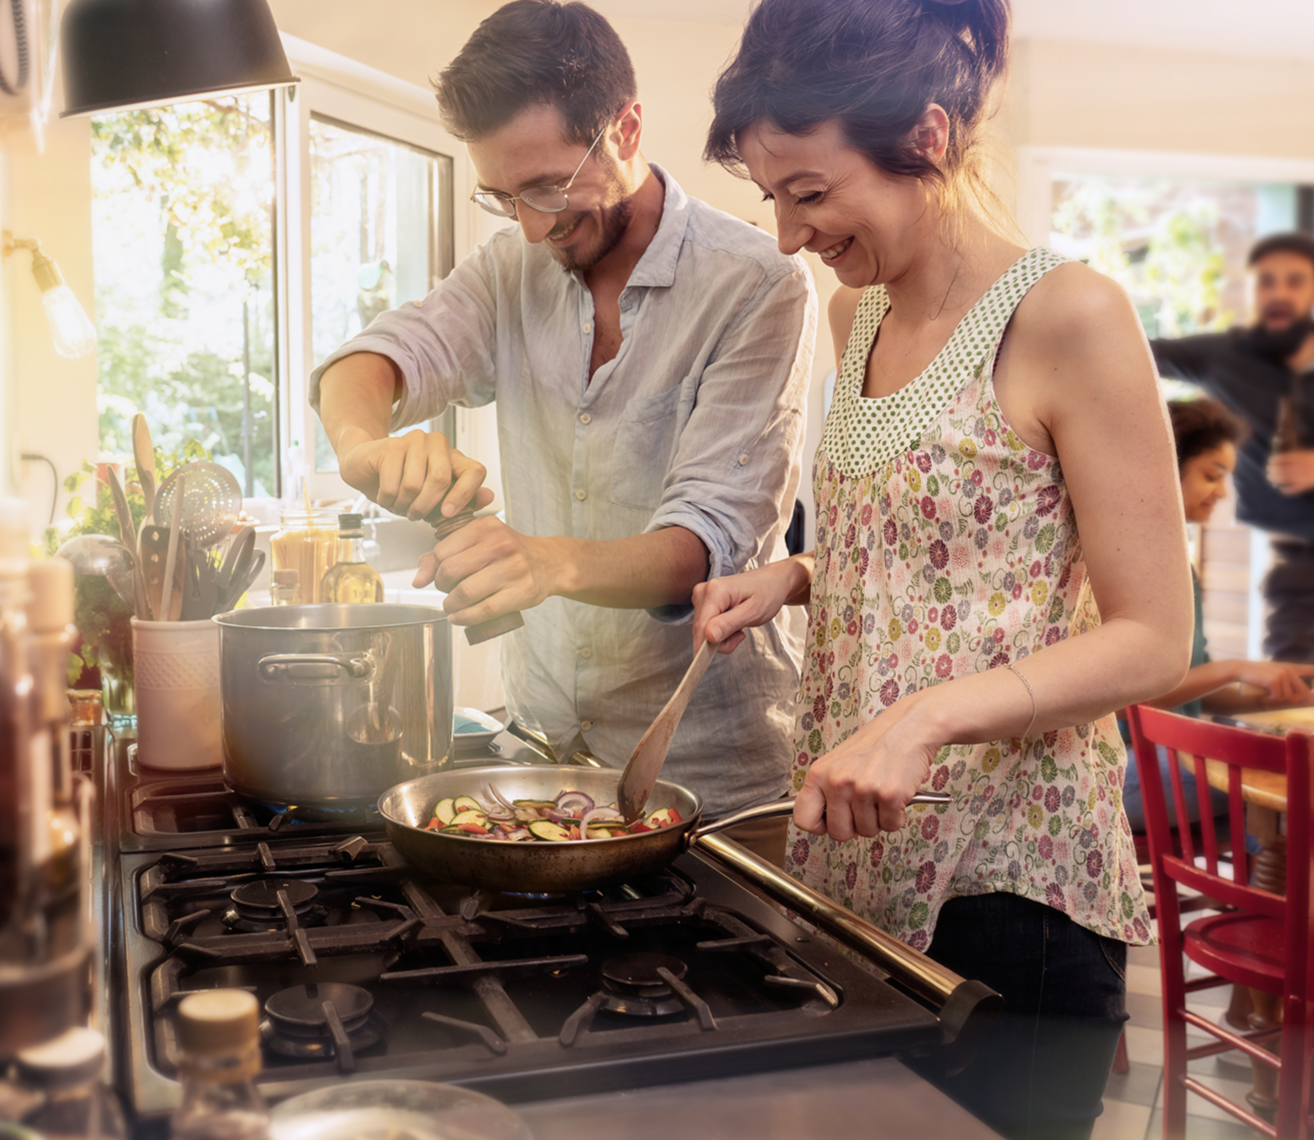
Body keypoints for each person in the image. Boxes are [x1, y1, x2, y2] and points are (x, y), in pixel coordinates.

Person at [692, 0, 1191, 1136]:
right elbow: (956, 536)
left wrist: (921, 719)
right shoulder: (852, 308)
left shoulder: (1068, 315)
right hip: (860, 866)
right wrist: (800, 574)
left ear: (922, 136)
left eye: (807, 194)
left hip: (1010, 880)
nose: (784, 234)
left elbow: (1154, 634)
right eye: (769, 198)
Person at [311, 0, 817, 862]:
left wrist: (544, 562)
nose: (533, 224)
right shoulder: (511, 266)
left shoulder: (759, 283)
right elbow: (377, 359)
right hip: (542, 757)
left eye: (549, 186)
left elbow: (710, 544)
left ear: (625, 127)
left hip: (713, 778)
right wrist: (366, 446)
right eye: (503, 194)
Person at [1123, 397, 1314, 831]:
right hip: (1122, 770)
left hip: (1174, 758)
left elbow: (1198, 687)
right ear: (1167, 469)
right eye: (1213, 475)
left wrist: (1271, 693)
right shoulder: (1127, 565)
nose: (1224, 491)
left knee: (1285, 798)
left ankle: (1275, 889)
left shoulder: (1182, 567)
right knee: (1287, 782)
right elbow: (1118, 704)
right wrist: (1234, 668)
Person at [1151, 233, 1314, 662]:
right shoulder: (1225, 355)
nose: (1279, 292)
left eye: (1295, 281)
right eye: (1267, 281)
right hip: (1295, 550)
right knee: (1293, 680)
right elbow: (1127, 354)